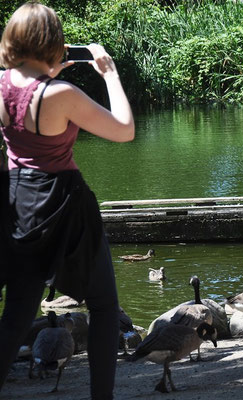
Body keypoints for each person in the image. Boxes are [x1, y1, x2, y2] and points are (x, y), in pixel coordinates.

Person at [0, 2, 134, 399]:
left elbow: (22, 95)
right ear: (52, 42)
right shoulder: (60, 94)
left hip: (18, 203)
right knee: (104, 307)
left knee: (16, 314)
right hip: (64, 206)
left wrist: (45, 70)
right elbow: (124, 130)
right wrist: (110, 75)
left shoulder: (2, 84)